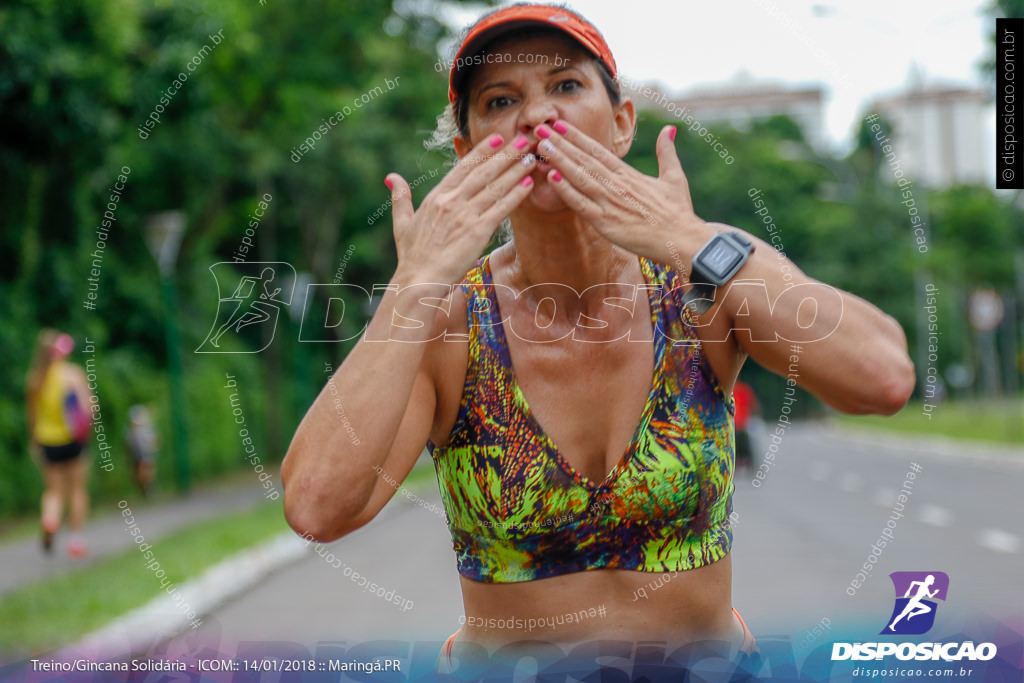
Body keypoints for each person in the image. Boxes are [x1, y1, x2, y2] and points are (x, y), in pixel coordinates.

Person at [281, 3, 915, 674]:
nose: (536, 117)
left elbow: (883, 377)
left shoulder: (703, 276)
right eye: (500, 100)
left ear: (621, 123)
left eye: (566, 86)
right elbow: (318, 505)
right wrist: (416, 283)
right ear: (468, 152)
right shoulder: (447, 321)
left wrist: (686, 236)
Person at [25, 330, 94, 557]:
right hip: (73, 439)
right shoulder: (73, 374)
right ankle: (76, 540)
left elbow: (33, 416)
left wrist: (34, 441)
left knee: (53, 491)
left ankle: (50, 519)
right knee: (76, 489)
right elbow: (88, 409)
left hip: (47, 441)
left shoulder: (35, 379)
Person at [126, 405, 159, 497]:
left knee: (149, 469)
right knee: (141, 472)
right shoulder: (131, 432)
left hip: (146, 452)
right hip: (138, 453)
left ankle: (149, 487)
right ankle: (145, 489)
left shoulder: (147, 429)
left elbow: (154, 440)